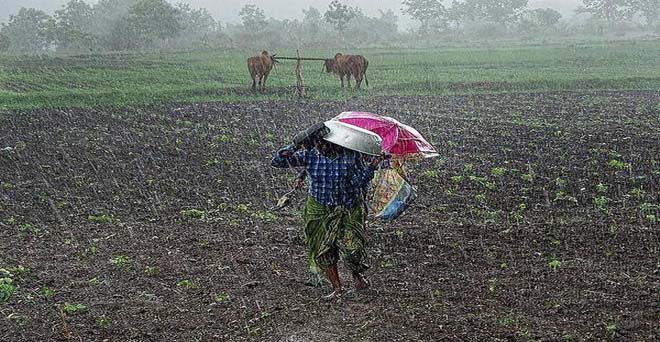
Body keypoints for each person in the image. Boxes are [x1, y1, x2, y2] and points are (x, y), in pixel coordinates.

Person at [271, 132, 382, 299]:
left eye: (322, 144)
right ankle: (337, 288)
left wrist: (372, 166)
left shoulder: (351, 156)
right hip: (319, 207)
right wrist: (295, 145)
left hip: (349, 206)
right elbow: (278, 161)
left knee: (354, 248)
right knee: (322, 249)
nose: (319, 147)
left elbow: (360, 181)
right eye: (316, 144)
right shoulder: (310, 155)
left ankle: (357, 276)